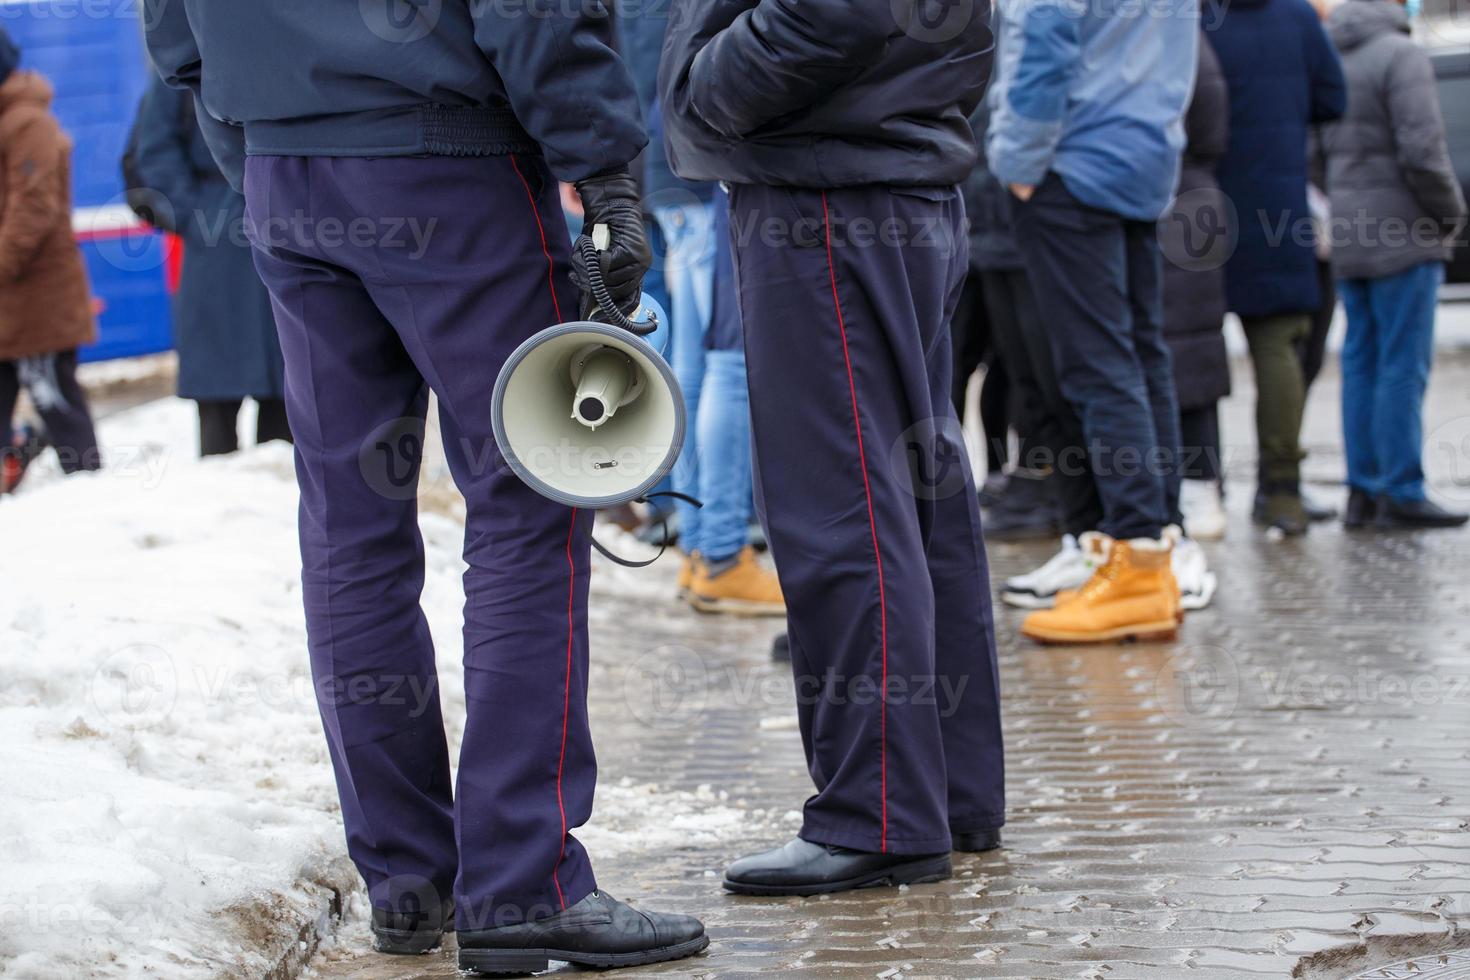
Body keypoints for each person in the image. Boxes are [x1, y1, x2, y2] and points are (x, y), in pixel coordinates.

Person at [145, 3, 708, 973]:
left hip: (288, 168)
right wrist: (607, 168)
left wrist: (260, 146)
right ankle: (520, 882)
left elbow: (173, 32)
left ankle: (409, 880)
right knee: (528, 503)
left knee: (347, 526)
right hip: (447, 161)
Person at [661, 0, 1006, 893]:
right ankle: (945, 792)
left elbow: (832, 10)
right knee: (915, 496)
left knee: (844, 503)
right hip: (882, 174)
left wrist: (703, 91)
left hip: (829, 189)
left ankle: (881, 812)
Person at [988, 0, 1196, 643]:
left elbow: (1045, 26)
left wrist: (1017, 162)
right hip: (1139, 157)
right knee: (1138, 356)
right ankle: (1153, 555)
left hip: (1071, 164)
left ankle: (1133, 559)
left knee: (1098, 365)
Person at [618, 11, 783, 613]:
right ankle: (720, 553)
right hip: (701, 164)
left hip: (662, 162)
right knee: (729, 364)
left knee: (691, 361)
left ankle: (698, 547)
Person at [1322, 0, 1469, 528]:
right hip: (1404, 233)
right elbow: (1424, 151)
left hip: (1350, 234)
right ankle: (1402, 490)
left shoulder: (1332, 55)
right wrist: (1452, 214)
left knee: (1361, 363)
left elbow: (1314, 152)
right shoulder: (1401, 54)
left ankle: (1363, 490)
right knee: (1404, 366)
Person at [1208, 0, 1346, 536]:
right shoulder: (1298, 18)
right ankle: (1280, 491)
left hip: (1198, 208)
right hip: (1278, 207)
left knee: (1192, 352)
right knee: (1280, 348)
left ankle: (1202, 490)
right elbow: (1335, 98)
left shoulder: (1193, 19)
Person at [127, 75, 290, 458]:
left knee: (289, 381)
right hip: (215, 238)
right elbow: (155, 150)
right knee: (218, 394)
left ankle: (280, 490)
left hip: (279, 215)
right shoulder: (182, 68)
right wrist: (195, 215)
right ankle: (222, 491)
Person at [0, 31, 100, 489]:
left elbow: (32, 210)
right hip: (11, 299)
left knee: (57, 404)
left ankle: (91, 493)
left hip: (38, 298)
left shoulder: (25, 124)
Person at [1161, 34, 1233, 542]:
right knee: (1192, 345)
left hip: (1175, 195)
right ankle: (1198, 484)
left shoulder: (1179, 38)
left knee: (1189, 345)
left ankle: (1198, 483)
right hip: (1187, 192)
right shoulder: (1189, 38)